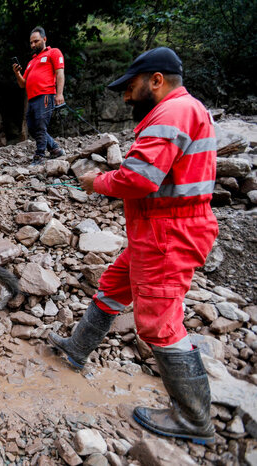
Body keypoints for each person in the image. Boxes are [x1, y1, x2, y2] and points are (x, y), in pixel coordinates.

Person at [48, 47, 218, 444]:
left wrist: (98, 181)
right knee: (112, 284)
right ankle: (77, 347)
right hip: (160, 230)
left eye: (130, 86)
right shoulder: (181, 110)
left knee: (157, 323)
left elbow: (140, 179)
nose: (125, 95)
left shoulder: (172, 113)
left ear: (156, 80)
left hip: (169, 233)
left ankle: (194, 420)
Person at [13, 26, 66, 164]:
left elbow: (60, 73)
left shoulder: (53, 52)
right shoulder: (31, 62)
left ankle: (39, 156)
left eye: (36, 41)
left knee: (41, 126)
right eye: (31, 42)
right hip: (32, 99)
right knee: (32, 127)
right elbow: (22, 84)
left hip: (46, 95)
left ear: (44, 39)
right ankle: (55, 149)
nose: (33, 45)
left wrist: (59, 94)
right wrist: (17, 73)